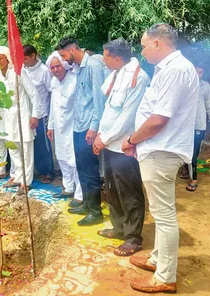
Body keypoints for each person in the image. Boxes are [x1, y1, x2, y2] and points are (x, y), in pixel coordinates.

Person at [121, 23, 199, 294]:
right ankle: (158, 260)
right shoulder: (168, 69)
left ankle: (166, 276)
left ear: (157, 43)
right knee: (159, 210)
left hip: (162, 150)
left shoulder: (176, 69)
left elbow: (158, 119)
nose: (142, 51)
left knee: (164, 215)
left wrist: (132, 140)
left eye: (143, 45)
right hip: (156, 148)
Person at [92, 38, 150, 256]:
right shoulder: (116, 76)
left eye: (106, 57)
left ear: (117, 58)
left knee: (129, 191)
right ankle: (119, 228)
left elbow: (127, 117)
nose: (104, 60)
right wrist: (101, 134)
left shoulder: (138, 78)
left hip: (124, 146)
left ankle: (134, 238)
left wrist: (103, 138)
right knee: (112, 189)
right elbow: (110, 111)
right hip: (109, 143)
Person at [57, 36, 106, 226]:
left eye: (63, 55)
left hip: (88, 128)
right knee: (82, 169)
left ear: (71, 51)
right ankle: (86, 203)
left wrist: (94, 128)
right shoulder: (77, 69)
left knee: (90, 170)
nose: (63, 59)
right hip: (78, 126)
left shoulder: (93, 66)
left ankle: (96, 212)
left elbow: (98, 100)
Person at [0, 46, 39, 195]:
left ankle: (26, 182)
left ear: (7, 58)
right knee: (13, 148)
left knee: (26, 149)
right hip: (9, 118)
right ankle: (18, 177)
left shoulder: (18, 71)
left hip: (23, 116)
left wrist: (35, 115)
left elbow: (34, 93)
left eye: (1, 58)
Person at [46, 51, 83, 204]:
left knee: (74, 160)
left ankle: (80, 195)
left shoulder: (74, 80)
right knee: (61, 157)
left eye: (58, 66)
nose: (55, 70)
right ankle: (68, 188)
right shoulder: (54, 82)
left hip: (73, 127)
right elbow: (53, 107)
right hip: (59, 128)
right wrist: (50, 126)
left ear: (65, 65)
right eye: (52, 67)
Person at [23, 44, 54, 184]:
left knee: (43, 144)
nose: (23, 61)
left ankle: (48, 171)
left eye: (25, 58)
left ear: (33, 56)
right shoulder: (23, 70)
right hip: (27, 113)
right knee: (31, 143)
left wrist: (50, 113)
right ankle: (36, 170)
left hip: (41, 113)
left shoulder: (44, 71)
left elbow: (51, 91)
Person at [181, 65, 210, 191]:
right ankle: (190, 174)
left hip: (199, 124)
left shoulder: (206, 86)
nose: (199, 74)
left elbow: (208, 103)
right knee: (185, 148)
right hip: (186, 124)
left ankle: (192, 175)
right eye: (196, 71)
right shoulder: (186, 84)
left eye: (201, 72)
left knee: (195, 152)